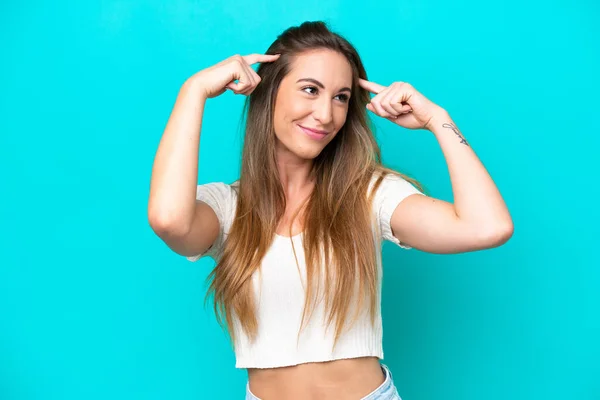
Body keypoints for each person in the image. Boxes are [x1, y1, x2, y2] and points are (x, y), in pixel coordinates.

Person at [148, 21, 513, 400]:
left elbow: (487, 227)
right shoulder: (227, 208)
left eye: (340, 97)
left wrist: (438, 120)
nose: (326, 114)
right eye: (310, 90)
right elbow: (169, 220)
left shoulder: (368, 195)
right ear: (269, 94)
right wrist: (193, 92)